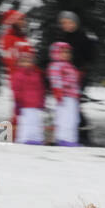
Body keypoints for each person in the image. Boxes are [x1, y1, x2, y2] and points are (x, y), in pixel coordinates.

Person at [38, 11, 97, 145]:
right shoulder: (62, 38)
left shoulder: (83, 37)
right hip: (63, 79)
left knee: (75, 108)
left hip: (78, 76)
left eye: (69, 22)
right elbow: (55, 56)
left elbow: (90, 56)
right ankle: (67, 136)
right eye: (63, 23)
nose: (66, 25)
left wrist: (82, 68)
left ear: (75, 23)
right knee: (66, 109)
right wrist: (44, 63)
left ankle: (81, 136)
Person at [9, 45, 46, 144]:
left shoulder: (36, 74)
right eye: (24, 61)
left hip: (35, 105)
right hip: (24, 105)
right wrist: (18, 102)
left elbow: (41, 89)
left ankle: (36, 139)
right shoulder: (17, 75)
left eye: (29, 61)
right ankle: (24, 139)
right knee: (26, 123)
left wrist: (42, 101)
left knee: (36, 123)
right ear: (19, 62)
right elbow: (16, 89)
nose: (27, 64)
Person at [46, 41, 81, 146]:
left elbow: (75, 81)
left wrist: (77, 93)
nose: (66, 54)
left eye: (68, 52)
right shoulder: (56, 65)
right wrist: (58, 91)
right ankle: (62, 138)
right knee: (65, 118)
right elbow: (55, 79)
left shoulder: (70, 66)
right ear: (56, 53)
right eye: (63, 52)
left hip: (72, 97)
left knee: (73, 119)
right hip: (64, 96)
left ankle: (71, 139)